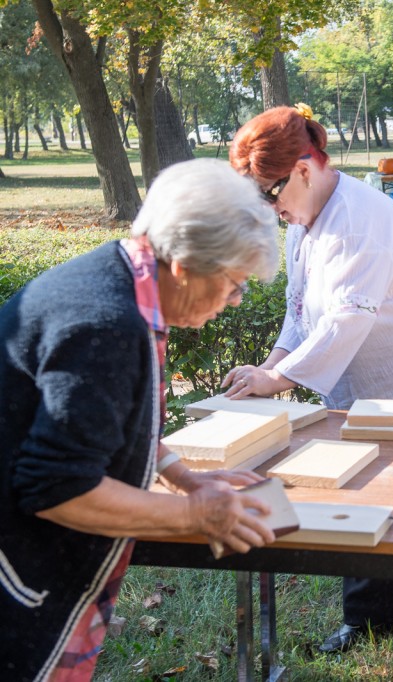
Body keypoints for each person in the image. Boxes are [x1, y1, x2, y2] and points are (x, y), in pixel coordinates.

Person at [225, 105, 393, 657]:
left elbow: (348, 317)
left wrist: (280, 380)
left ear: (304, 169)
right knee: (361, 488)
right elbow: (302, 310)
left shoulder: (358, 219)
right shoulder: (303, 218)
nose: (270, 209)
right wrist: (269, 366)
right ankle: (369, 616)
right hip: (368, 374)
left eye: (270, 194)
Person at [0, 159, 281, 680]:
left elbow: (112, 421)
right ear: (186, 266)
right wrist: (195, 514)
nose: (234, 302)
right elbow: (59, 488)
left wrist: (185, 478)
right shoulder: (106, 324)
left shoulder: (124, 283)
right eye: (234, 284)